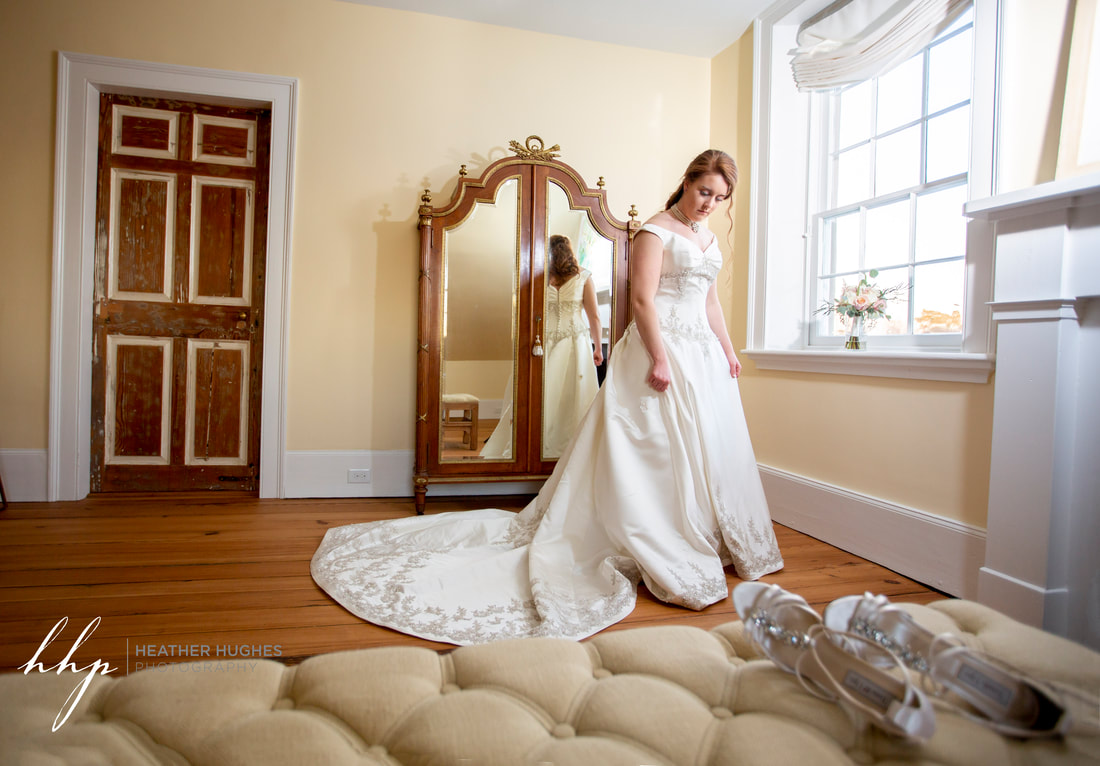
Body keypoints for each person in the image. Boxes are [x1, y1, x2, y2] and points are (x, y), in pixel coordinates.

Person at [311, 149, 784, 645]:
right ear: (686, 182)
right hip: (657, 347)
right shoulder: (654, 230)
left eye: (720, 197)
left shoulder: (707, 239)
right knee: (654, 447)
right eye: (704, 191)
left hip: (702, 357)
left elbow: (710, 301)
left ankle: (706, 534)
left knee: (704, 445)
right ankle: (650, 535)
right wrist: (660, 357)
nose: (710, 203)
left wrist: (728, 353)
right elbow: (643, 299)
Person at [542, 234, 603, 457]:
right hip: (575, 340)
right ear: (569, 251)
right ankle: (574, 446)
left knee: (548, 391)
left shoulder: (541, 277)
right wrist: (598, 347)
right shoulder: (583, 277)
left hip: (545, 340)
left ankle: (543, 441)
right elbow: (594, 316)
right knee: (572, 395)